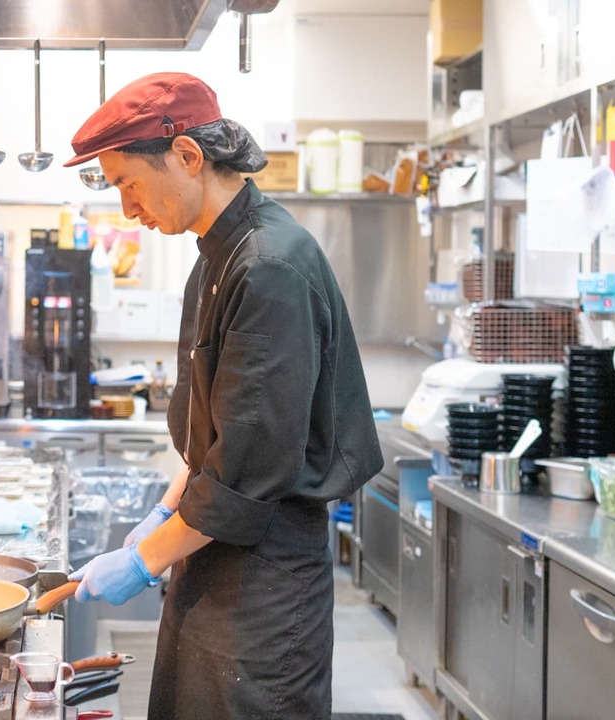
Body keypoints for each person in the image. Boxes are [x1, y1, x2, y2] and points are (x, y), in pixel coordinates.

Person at [63, 72, 383, 719]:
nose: (126, 209)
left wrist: (142, 561)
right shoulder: (217, 256)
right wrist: (163, 512)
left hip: (266, 587)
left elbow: (245, 477)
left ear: (186, 156)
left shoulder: (269, 265)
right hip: (213, 562)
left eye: (126, 183)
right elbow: (220, 437)